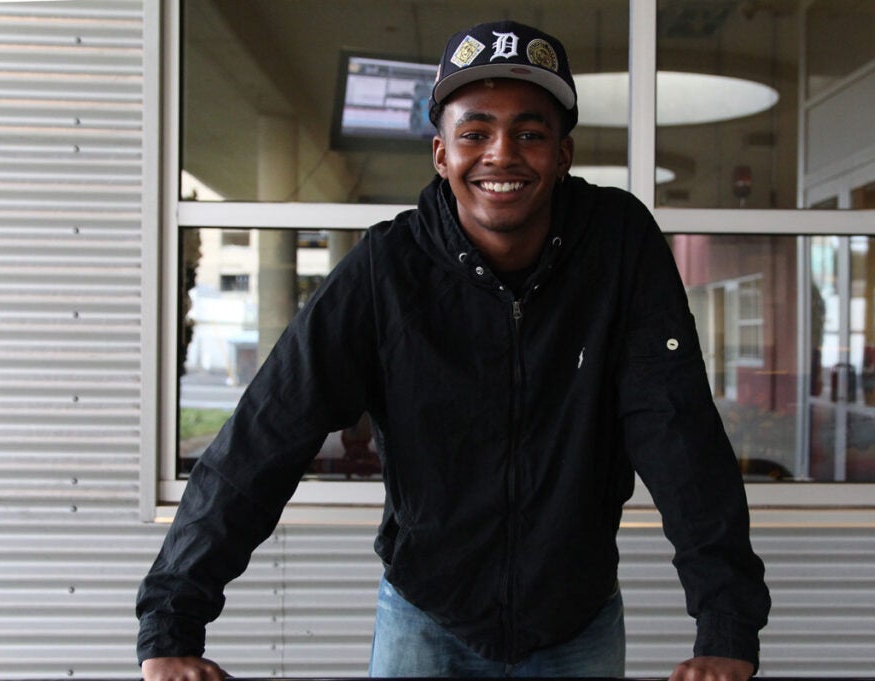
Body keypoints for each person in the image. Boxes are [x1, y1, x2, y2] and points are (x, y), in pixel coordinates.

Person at [137, 20, 770, 681]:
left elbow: (680, 436)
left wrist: (725, 625)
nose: (502, 153)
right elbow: (265, 434)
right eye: (476, 133)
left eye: (530, 132)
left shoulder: (619, 248)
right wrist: (172, 624)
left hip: (574, 625)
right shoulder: (386, 269)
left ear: (563, 154)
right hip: (423, 621)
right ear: (441, 154)